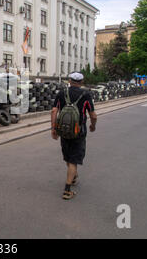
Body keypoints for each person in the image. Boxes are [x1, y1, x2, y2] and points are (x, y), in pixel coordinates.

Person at [51, 72, 98, 200]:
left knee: (68, 157)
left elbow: (54, 110)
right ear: (82, 82)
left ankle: (73, 176)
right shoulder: (86, 94)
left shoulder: (62, 93)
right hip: (79, 131)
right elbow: (93, 115)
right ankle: (67, 190)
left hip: (64, 130)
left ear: (70, 81)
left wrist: (53, 129)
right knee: (74, 159)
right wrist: (93, 126)